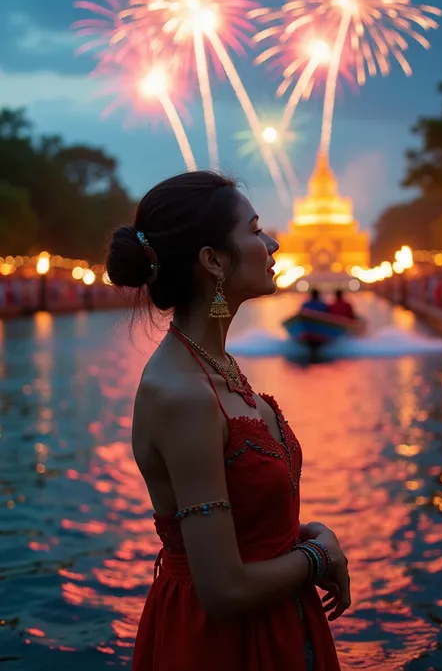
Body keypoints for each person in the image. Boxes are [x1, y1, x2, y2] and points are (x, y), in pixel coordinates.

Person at [106, 171, 350, 671]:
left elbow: (243, 522)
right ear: (213, 261)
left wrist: (310, 532)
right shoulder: (182, 395)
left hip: (277, 625)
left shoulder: (217, 366)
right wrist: (320, 559)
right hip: (224, 646)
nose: (274, 242)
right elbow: (222, 589)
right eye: (256, 230)